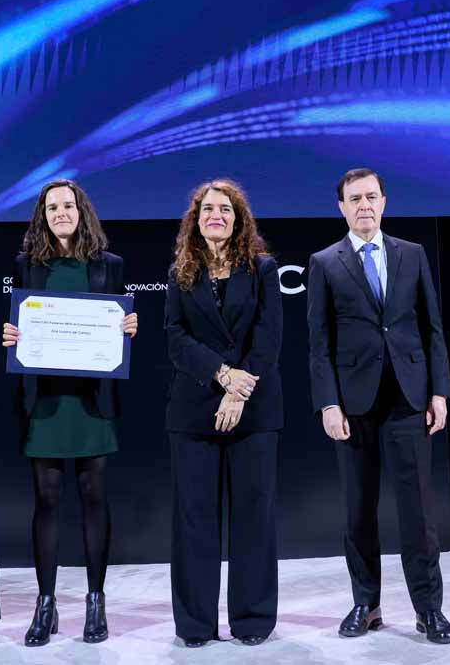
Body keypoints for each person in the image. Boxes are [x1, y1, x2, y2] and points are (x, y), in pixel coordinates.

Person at [306, 168, 450, 644]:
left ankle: (428, 610)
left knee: (417, 513)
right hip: (353, 406)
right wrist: (328, 403)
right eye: (355, 199)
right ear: (342, 208)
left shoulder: (410, 254)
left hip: (409, 399)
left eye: (371, 196)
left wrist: (439, 392)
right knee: (358, 510)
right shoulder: (325, 262)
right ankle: (365, 604)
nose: (364, 205)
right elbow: (319, 343)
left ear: (384, 202)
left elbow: (432, 328)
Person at [1, 179, 138, 646]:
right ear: (43, 214)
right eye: (52, 206)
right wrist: (14, 336)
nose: (61, 212)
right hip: (45, 402)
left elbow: (116, 326)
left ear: (83, 211)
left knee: (94, 498)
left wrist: (126, 326)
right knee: (48, 501)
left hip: (92, 402)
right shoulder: (27, 266)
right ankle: (46, 604)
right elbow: (22, 322)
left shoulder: (109, 266)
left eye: (69, 205)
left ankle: (95, 602)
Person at [163, 179, 283, 648]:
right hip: (194, 410)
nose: (216, 215)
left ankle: (252, 619)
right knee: (194, 518)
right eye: (208, 209)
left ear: (238, 219)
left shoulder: (263, 269)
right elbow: (174, 337)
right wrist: (221, 376)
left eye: (226, 209)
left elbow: (268, 336)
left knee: (254, 515)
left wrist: (239, 391)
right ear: (196, 218)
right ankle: (195, 624)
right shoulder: (180, 272)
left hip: (254, 411)